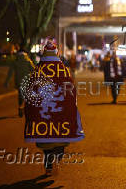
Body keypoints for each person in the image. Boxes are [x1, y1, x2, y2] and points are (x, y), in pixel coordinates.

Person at [24, 38, 84, 175]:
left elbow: (30, 91)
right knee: (60, 139)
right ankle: (57, 159)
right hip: (60, 111)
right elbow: (71, 90)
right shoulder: (63, 69)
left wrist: (27, 108)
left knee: (46, 141)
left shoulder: (37, 70)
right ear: (56, 53)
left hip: (43, 112)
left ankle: (49, 166)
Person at [5, 47, 35, 117]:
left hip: (18, 81)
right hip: (27, 81)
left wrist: (7, 82)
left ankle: (20, 106)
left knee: (20, 95)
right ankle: (23, 107)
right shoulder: (28, 61)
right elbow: (34, 71)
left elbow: (10, 72)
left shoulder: (15, 61)